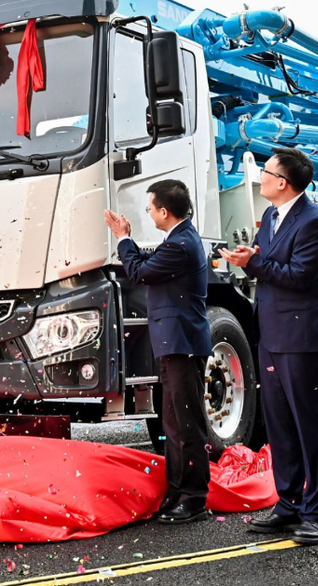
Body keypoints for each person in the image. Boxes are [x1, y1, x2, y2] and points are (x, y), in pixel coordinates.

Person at [217, 147, 318, 546]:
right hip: (271, 332)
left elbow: (299, 276)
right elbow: (269, 259)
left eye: (266, 171)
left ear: (282, 182)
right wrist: (251, 255)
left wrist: (252, 264)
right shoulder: (270, 216)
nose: (261, 177)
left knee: (309, 425)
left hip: (301, 338)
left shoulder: (313, 221)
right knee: (280, 424)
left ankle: (314, 512)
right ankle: (288, 503)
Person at [105, 180, 213, 525]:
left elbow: (139, 272)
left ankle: (194, 498)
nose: (149, 213)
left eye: (150, 208)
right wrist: (129, 241)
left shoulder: (180, 244)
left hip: (182, 343)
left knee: (187, 423)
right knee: (173, 423)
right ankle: (177, 490)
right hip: (174, 342)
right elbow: (147, 265)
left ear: (164, 211)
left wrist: (123, 238)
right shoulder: (178, 239)